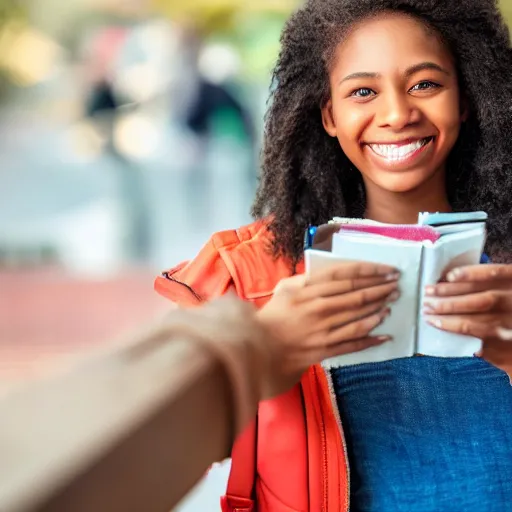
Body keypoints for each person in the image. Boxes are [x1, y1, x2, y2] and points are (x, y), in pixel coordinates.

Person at [155, 0, 512, 510]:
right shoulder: (250, 274)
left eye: (426, 84)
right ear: (328, 114)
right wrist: (261, 353)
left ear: (466, 98)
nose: (396, 114)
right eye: (363, 91)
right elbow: (162, 448)